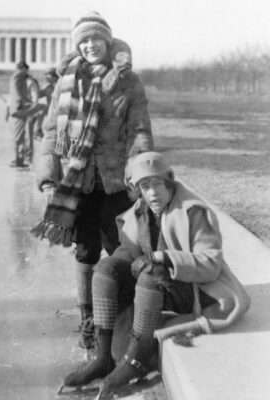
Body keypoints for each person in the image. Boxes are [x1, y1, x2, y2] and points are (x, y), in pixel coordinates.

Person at [59, 151, 250, 398]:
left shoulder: (193, 211)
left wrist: (164, 257)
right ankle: (103, 357)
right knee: (106, 269)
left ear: (169, 183)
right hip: (163, 287)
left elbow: (210, 264)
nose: (152, 193)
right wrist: (102, 303)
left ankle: (136, 359)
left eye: (157, 184)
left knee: (150, 273)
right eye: (144, 186)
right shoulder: (139, 212)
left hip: (198, 291)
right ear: (137, 190)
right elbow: (124, 255)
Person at [31, 11, 153, 352]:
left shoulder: (129, 81)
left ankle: (123, 320)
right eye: (83, 40)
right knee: (85, 252)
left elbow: (139, 130)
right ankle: (89, 321)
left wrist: (140, 174)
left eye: (95, 39)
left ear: (107, 41)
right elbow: (51, 133)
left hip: (117, 184)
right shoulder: (65, 81)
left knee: (123, 251)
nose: (89, 46)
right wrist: (49, 180)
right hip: (79, 184)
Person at [33, 67, 59, 140]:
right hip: (51, 111)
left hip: (60, 110)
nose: (46, 78)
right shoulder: (48, 87)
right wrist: (34, 84)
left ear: (54, 77)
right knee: (40, 111)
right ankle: (38, 130)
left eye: (48, 76)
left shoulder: (61, 85)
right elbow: (37, 95)